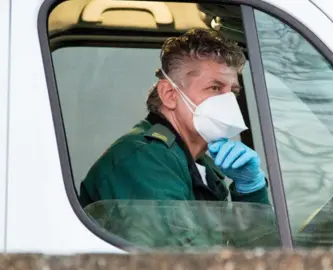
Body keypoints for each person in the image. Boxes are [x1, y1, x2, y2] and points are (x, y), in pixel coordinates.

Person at [78, 28, 270, 210]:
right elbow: (180, 245)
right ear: (169, 94)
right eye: (215, 88)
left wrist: (250, 190)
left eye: (233, 92)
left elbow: (250, 244)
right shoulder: (146, 161)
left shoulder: (200, 165)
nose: (228, 101)